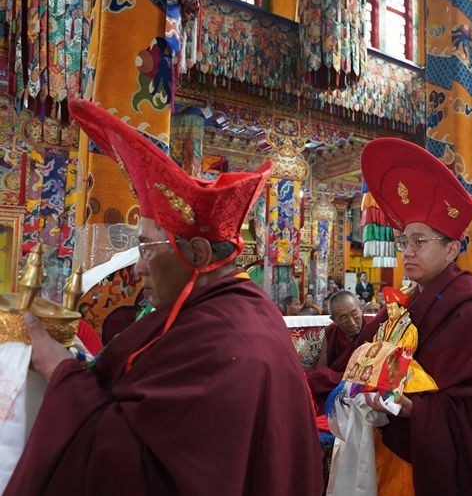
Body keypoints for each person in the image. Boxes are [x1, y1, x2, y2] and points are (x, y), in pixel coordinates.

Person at [5, 99, 323, 495]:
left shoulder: (228, 341)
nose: (138, 268)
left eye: (147, 249)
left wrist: (60, 371)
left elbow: (136, 468)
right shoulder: (235, 312)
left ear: (198, 254)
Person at [333, 138, 472, 495]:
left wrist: (419, 410)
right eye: (404, 242)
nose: (408, 252)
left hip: (428, 459)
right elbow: (359, 357)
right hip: (384, 447)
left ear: (451, 249)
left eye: (420, 242)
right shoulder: (401, 304)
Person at [306, 289, 365, 413]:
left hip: (362, 383)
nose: (352, 322)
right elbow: (321, 369)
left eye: (354, 314)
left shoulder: (373, 328)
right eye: (343, 318)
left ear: (361, 309)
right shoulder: (330, 332)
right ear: (334, 319)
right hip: (337, 385)